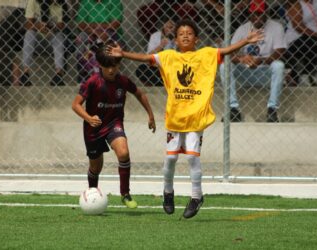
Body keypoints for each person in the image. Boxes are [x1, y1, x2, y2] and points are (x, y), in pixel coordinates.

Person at [107, 19, 263, 218]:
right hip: (175, 118)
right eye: (181, 33)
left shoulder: (205, 54)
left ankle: (197, 196)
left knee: (191, 156)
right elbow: (146, 58)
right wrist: (124, 54)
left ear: (196, 38)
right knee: (171, 157)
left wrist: (245, 42)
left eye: (190, 33)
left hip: (196, 118)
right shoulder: (169, 57)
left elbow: (225, 51)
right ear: (176, 40)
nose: (186, 35)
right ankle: (168, 192)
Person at [71, 42, 156, 209]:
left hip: (113, 124)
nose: (111, 70)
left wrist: (151, 115)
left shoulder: (123, 81)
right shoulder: (93, 82)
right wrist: (89, 118)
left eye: (115, 65)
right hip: (93, 128)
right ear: (100, 65)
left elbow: (139, 93)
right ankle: (92, 195)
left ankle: (125, 194)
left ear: (119, 64)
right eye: (107, 66)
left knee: (123, 153)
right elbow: (76, 105)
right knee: (96, 167)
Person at [222, 0, 286, 122]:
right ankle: (233, 109)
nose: (257, 17)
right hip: (244, 73)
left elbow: (280, 52)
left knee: (279, 65)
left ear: (266, 13)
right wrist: (241, 59)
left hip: (264, 73)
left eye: (260, 13)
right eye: (255, 14)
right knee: (224, 66)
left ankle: (272, 109)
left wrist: (260, 60)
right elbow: (229, 52)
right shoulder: (243, 29)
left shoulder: (276, 27)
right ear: (250, 14)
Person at [20, 0, 68, 86]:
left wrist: (51, 27)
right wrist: (38, 26)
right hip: (37, 42)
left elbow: (61, 25)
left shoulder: (60, 3)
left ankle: (58, 74)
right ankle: (25, 73)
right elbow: (27, 24)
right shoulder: (33, 1)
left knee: (59, 36)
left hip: (52, 41)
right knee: (29, 33)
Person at [75, 0, 124, 83]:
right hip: (89, 32)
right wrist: (97, 29)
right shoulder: (85, 2)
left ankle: (103, 75)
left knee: (107, 36)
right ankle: (83, 74)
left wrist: (94, 26)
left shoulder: (115, 2)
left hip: (110, 33)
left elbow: (115, 24)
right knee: (81, 37)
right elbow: (80, 24)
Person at [135, 19, 176, 86]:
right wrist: (160, 46)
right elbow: (148, 56)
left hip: (169, 67)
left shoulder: (178, 37)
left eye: (171, 27)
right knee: (141, 69)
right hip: (156, 67)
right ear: (163, 26)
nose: (169, 30)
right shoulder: (155, 36)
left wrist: (176, 44)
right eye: (167, 27)